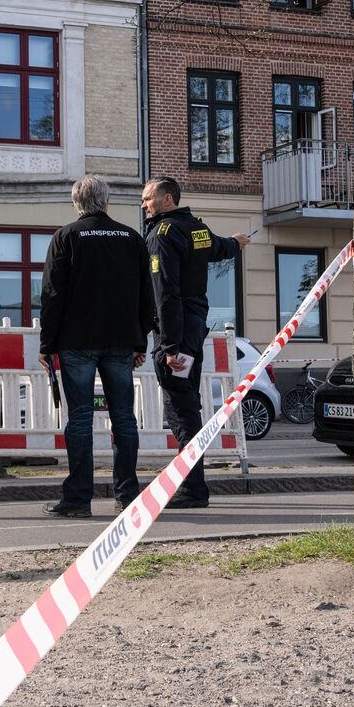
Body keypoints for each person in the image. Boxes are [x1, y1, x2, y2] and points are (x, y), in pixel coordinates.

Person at [38, 176, 154, 517]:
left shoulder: (66, 237)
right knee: (123, 418)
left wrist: (47, 344)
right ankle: (128, 496)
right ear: (106, 201)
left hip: (76, 343)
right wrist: (140, 338)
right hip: (121, 341)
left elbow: (52, 296)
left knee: (80, 419)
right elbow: (146, 296)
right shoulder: (132, 238)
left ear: (77, 203)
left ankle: (77, 500)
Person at [141, 177, 249, 511]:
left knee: (181, 408)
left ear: (167, 198)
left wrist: (170, 346)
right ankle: (190, 482)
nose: (144, 204)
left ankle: (192, 487)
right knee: (186, 403)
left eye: (148, 198)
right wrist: (237, 242)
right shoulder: (195, 228)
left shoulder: (163, 235)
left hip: (176, 333)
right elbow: (219, 248)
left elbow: (166, 294)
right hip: (194, 328)